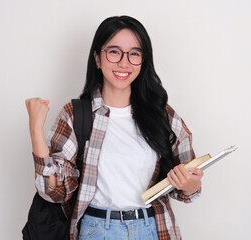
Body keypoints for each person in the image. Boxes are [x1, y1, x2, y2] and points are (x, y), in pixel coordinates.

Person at [25, 15, 203, 240]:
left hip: (154, 229)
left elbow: (189, 186)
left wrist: (191, 184)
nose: (124, 62)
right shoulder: (76, 113)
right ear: (98, 59)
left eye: (134, 54)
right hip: (97, 230)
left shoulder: (162, 115)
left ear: (143, 60)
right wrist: (35, 131)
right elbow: (54, 192)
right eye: (114, 51)